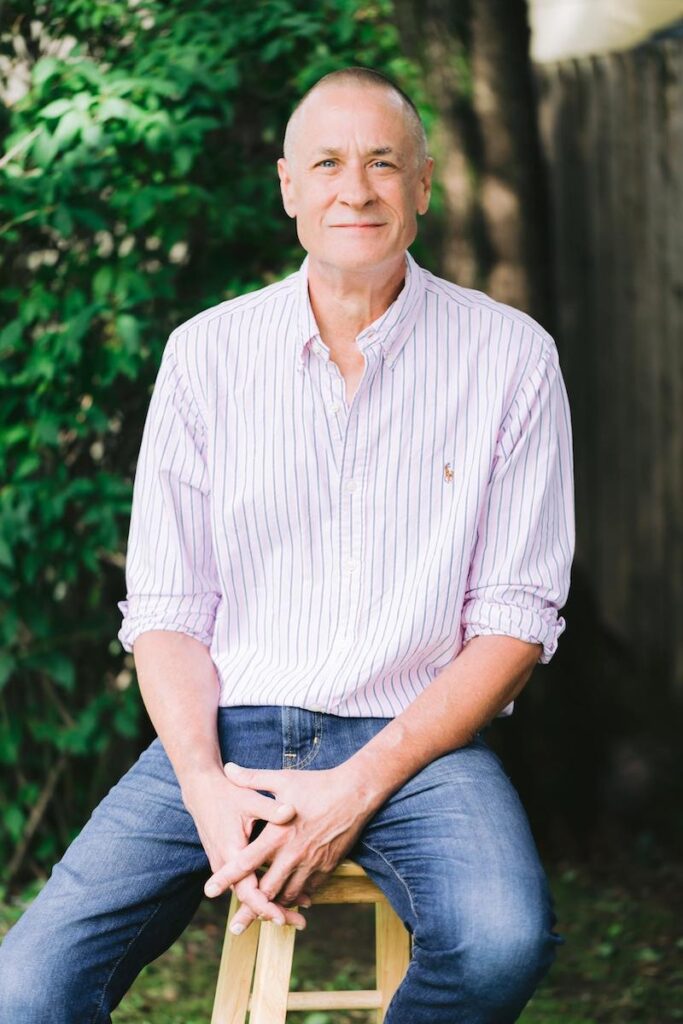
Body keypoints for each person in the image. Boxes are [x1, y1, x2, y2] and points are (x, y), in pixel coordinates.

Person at [0, 66, 575, 1023]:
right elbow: (170, 613)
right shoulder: (206, 355)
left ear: (422, 187)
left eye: (383, 163)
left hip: (417, 742)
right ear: (288, 187)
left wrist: (357, 786)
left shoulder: (510, 358)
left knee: (501, 942)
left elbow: (514, 626)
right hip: (225, 731)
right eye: (328, 163)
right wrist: (200, 787)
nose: (356, 188)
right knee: (23, 991)